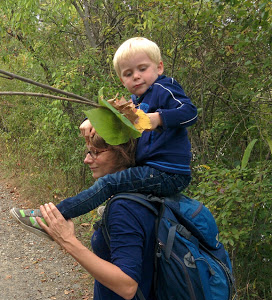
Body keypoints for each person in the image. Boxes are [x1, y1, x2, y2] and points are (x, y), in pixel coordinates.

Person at [10, 37, 197, 239]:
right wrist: (90, 120)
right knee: (119, 169)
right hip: (151, 168)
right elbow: (114, 117)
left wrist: (159, 118)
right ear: (121, 80)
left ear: (159, 67)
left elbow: (190, 112)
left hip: (169, 172)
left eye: (142, 69)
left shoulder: (164, 88)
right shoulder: (136, 101)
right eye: (128, 73)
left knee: (109, 183)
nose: (136, 76)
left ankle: (53, 217)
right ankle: (113, 211)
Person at [35, 131, 175, 300]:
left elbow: (126, 284)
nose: (87, 159)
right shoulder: (157, 193)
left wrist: (68, 241)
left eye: (96, 152)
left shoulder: (123, 206)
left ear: (122, 154)